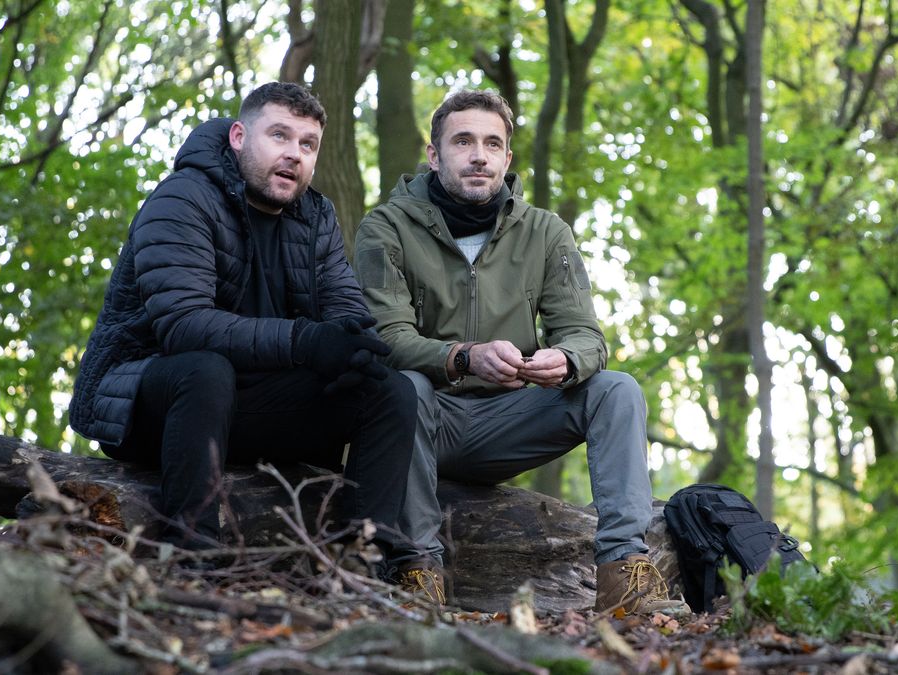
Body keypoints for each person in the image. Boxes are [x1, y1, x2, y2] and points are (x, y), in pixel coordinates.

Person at [354, 89, 682, 614]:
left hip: (512, 419)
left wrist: (567, 360)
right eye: (463, 141)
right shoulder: (385, 228)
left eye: (492, 143)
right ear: (435, 155)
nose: (478, 155)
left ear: (508, 158)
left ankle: (625, 573)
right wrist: (463, 355)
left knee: (616, 388)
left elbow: (585, 335)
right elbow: (383, 338)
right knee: (403, 387)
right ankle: (417, 570)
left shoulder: (546, 232)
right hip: (425, 421)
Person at [69, 82, 417, 566]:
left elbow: (345, 311)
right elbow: (183, 326)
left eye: (307, 144)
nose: (293, 154)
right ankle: (195, 558)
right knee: (206, 369)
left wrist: (351, 345)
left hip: (254, 404)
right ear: (238, 137)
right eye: (279, 135)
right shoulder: (182, 199)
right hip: (153, 402)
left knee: (389, 389)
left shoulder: (316, 217)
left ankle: (367, 561)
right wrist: (307, 340)